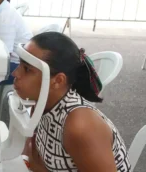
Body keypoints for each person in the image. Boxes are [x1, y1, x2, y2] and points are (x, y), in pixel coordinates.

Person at [16, 32, 131, 172]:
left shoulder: (80, 127)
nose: (15, 73)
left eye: (27, 69)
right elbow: (32, 155)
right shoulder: (40, 104)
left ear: (58, 81)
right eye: (20, 65)